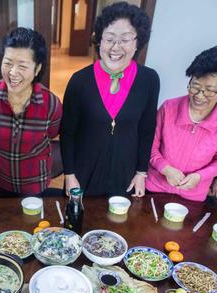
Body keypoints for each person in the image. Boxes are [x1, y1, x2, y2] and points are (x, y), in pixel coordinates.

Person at [60, 2, 159, 197]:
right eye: (109, 39)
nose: (116, 47)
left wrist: (141, 172)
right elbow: (67, 132)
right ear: (99, 41)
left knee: (122, 224)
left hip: (126, 172)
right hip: (84, 172)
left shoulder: (149, 79)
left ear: (138, 42)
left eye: (125, 39)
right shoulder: (79, 80)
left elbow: (147, 129)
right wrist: (69, 175)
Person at [145, 44, 217, 201]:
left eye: (209, 90)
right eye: (195, 86)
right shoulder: (169, 107)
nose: (199, 95)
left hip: (193, 197)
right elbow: (149, 146)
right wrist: (165, 169)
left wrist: (200, 176)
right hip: (154, 188)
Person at [0, 27, 62, 198]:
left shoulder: (50, 103)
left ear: (37, 69)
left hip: (36, 184)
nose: (13, 73)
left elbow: (52, 134)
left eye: (22, 66)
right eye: (8, 63)